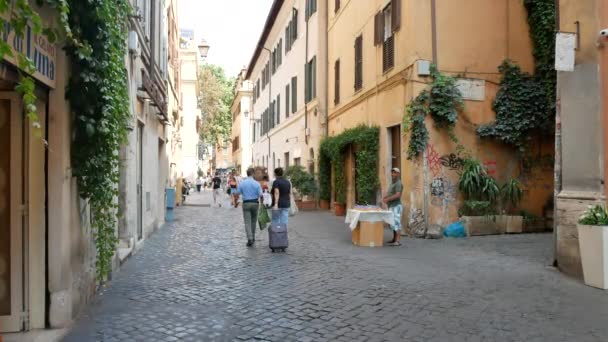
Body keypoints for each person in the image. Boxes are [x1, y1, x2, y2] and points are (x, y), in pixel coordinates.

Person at [235, 168, 263, 247]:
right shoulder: (256, 183)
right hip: (255, 203)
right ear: (253, 174)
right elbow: (261, 195)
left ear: (247, 174)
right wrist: (262, 202)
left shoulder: (242, 183)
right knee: (253, 221)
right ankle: (253, 237)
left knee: (247, 222)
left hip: (246, 204)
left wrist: (236, 202)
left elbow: (237, 193)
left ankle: (250, 238)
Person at [383, 168, 404, 246]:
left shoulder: (398, 183)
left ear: (398, 174)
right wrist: (385, 197)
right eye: (392, 173)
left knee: (397, 223)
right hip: (392, 206)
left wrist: (387, 199)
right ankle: (394, 239)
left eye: (395, 173)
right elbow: (391, 193)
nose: (393, 174)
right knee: (392, 223)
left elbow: (398, 195)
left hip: (396, 206)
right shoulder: (393, 183)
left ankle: (398, 241)